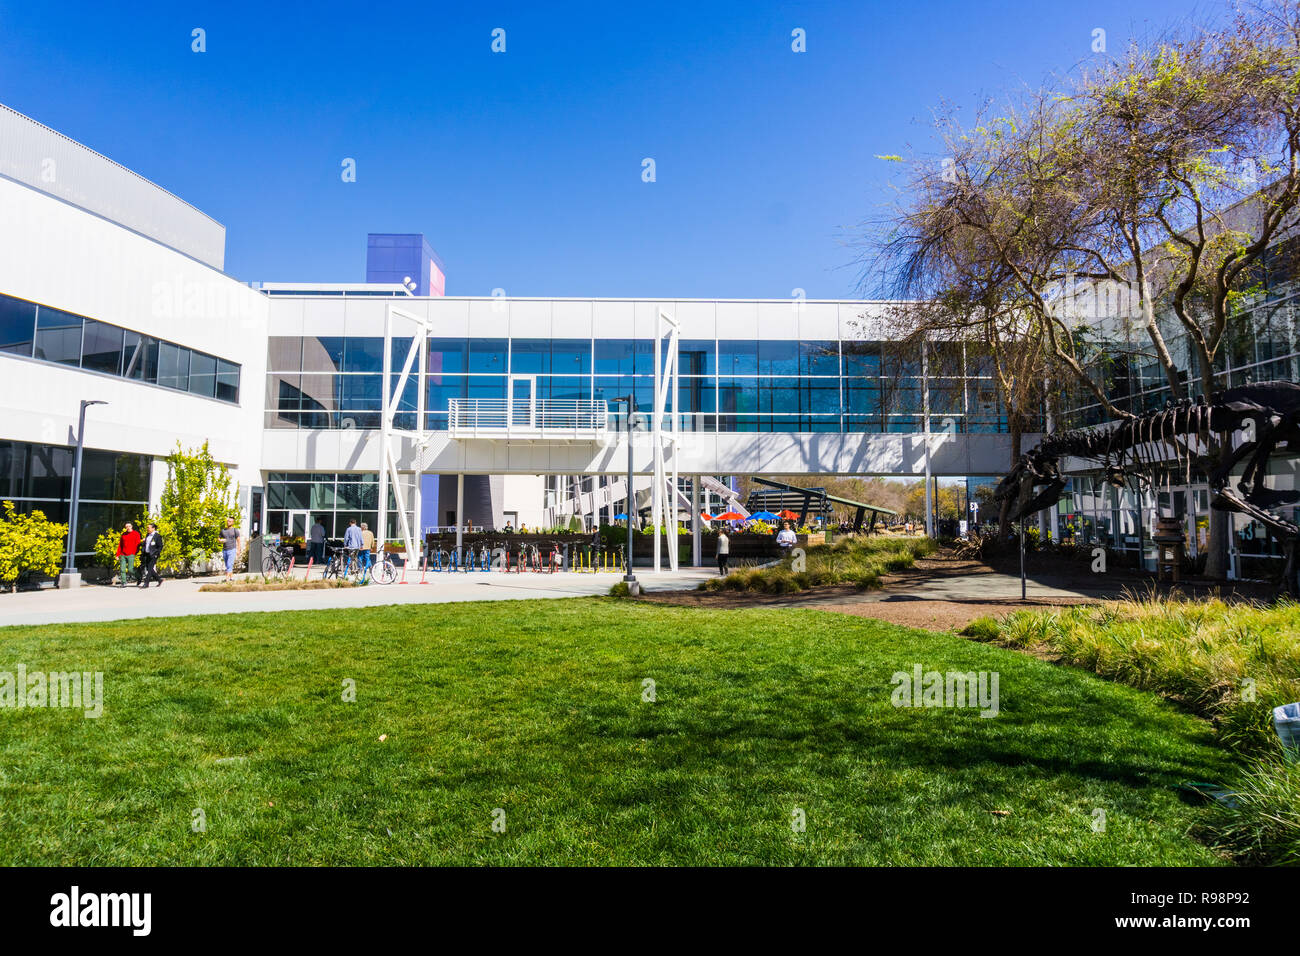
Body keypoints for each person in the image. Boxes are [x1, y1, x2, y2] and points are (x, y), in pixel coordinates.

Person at [115, 522, 141, 588]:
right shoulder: (123, 534)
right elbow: (120, 545)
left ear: (131, 526)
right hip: (123, 554)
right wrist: (117, 555)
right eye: (126, 526)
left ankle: (139, 577)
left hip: (131, 554)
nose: (128, 527)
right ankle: (124, 583)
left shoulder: (136, 534)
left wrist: (134, 552)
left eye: (129, 526)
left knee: (130, 569)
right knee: (122, 569)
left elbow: (138, 544)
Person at [137, 522, 164, 587]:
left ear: (153, 528)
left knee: (149, 569)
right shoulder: (147, 535)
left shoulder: (157, 536)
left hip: (153, 555)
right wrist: (141, 543)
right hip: (147, 554)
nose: (147, 529)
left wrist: (157, 554)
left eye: (148, 528)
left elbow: (160, 546)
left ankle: (146, 583)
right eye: (147, 527)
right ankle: (159, 579)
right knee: (150, 568)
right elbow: (146, 544)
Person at [220, 516, 240, 582]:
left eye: (230, 521)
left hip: (232, 549)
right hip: (224, 550)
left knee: (229, 564)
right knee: (227, 565)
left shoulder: (235, 530)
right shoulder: (223, 530)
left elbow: (238, 540)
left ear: (233, 522)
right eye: (228, 521)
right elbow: (218, 538)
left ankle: (227, 579)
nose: (228, 522)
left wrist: (238, 550)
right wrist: (220, 540)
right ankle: (231, 578)